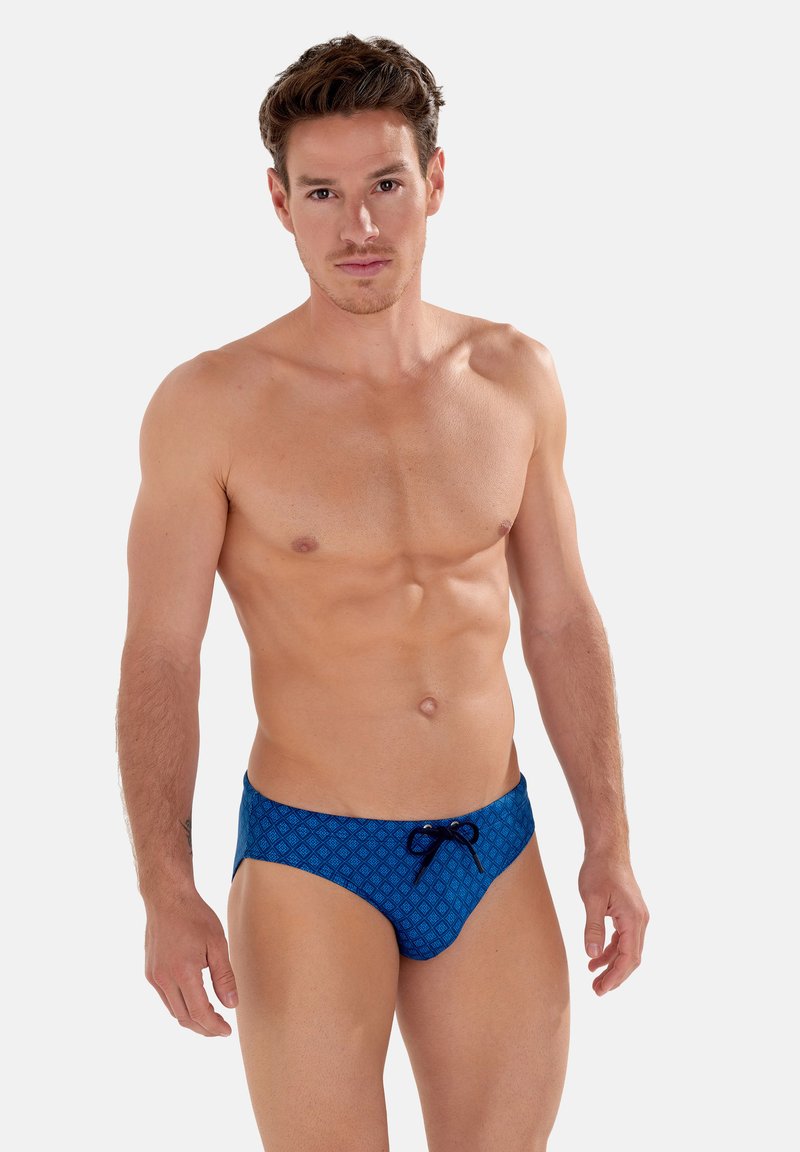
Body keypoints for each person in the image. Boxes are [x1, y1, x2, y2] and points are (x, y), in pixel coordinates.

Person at [116, 32, 649, 1152]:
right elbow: (161, 656)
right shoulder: (210, 406)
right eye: (322, 193)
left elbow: (560, 619)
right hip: (313, 856)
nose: (358, 225)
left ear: (435, 181)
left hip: (491, 844)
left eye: (385, 186)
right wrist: (164, 886)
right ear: (279, 203)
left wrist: (609, 838)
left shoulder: (514, 378)